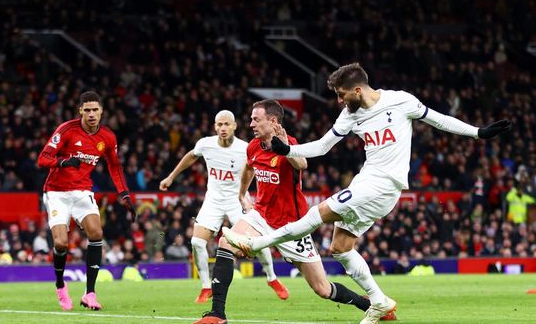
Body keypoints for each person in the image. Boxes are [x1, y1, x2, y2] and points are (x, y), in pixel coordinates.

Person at [223, 63, 511, 324]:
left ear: (357, 90)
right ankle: (379, 302)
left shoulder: (401, 101)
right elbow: (322, 146)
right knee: (340, 248)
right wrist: (288, 150)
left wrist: (478, 133)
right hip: (368, 182)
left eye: (341, 94)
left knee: (318, 213)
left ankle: (258, 243)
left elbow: (439, 119)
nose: (339, 100)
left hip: (385, 183)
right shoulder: (349, 114)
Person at [195, 100, 394, 324]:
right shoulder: (253, 147)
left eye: (256, 119)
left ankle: (370, 304)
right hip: (261, 216)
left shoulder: (289, 144)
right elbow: (249, 167)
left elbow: (301, 164)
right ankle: (216, 314)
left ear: (272, 121)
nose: (251, 123)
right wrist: (242, 194)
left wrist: (285, 148)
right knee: (225, 243)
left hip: (293, 226)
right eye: (251, 119)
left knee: (322, 288)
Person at [159, 110, 287, 303]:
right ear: (215, 126)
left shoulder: (244, 148)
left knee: (257, 241)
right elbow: (191, 156)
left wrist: (246, 196)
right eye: (219, 124)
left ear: (234, 126)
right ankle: (205, 286)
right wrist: (171, 177)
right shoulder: (206, 144)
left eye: (227, 124)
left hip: (237, 200)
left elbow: (254, 169)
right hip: (214, 201)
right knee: (196, 243)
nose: (223, 128)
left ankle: (272, 278)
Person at [37, 91, 135, 311]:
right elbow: (42, 159)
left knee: (97, 233)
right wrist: (63, 162)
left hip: (82, 192)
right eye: (87, 110)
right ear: (80, 110)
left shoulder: (108, 137)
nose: (91, 114)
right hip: (57, 192)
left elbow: (114, 166)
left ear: (101, 111)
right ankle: (61, 287)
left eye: (95, 110)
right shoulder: (67, 130)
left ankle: (90, 293)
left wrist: (124, 193)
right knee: (61, 243)